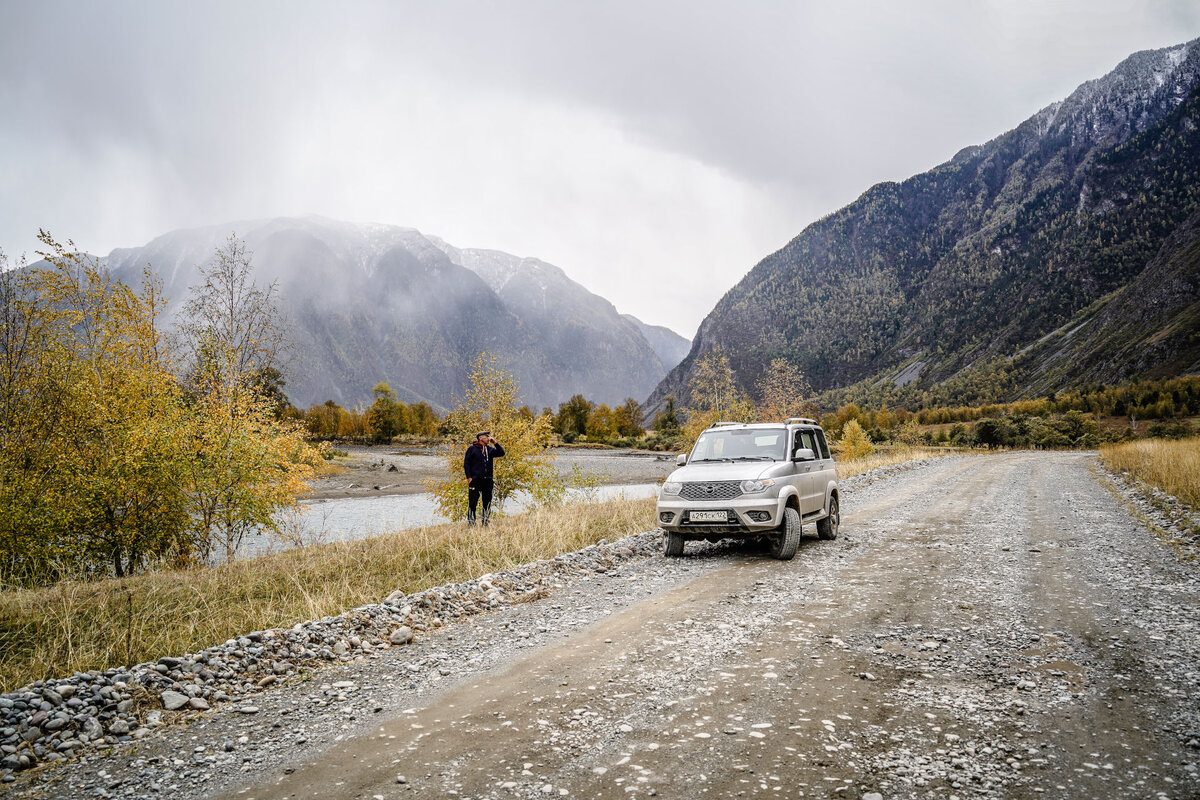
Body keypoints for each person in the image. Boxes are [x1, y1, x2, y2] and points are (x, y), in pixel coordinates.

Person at [463, 430, 504, 526]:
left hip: (488, 480)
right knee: (473, 503)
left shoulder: (490, 449)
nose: (489, 438)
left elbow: (502, 453)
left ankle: (485, 522)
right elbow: (466, 464)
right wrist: (469, 477)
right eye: (487, 436)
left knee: (487, 502)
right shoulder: (472, 449)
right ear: (481, 438)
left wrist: (495, 443)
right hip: (475, 480)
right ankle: (471, 523)